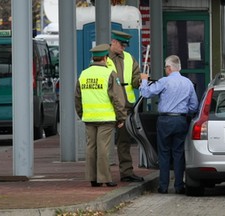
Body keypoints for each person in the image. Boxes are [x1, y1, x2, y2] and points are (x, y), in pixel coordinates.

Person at [139, 55, 199, 194]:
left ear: (169, 68)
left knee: (164, 153)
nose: (165, 70)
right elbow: (194, 106)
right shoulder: (188, 83)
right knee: (178, 153)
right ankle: (179, 186)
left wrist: (144, 79)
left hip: (165, 120)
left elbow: (146, 93)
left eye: (166, 67)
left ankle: (163, 186)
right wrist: (183, 112)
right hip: (181, 120)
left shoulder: (164, 81)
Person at [75, 43, 127, 187]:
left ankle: (92, 178)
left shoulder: (83, 74)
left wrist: (82, 114)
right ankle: (104, 178)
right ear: (105, 57)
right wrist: (121, 117)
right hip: (106, 118)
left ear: (93, 58)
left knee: (91, 147)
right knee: (103, 148)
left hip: (89, 117)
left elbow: (77, 98)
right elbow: (116, 98)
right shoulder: (109, 74)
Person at [107, 30, 144, 182]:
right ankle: (101, 175)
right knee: (103, 143)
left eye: (125, 45)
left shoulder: (129, 58)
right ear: (113, 42)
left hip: (126, 106)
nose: (124, 48)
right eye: (121, 45)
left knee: (124, 142)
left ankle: (126, 173)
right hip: (108, 106)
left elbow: (135, 78)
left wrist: (140, 80)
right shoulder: (104, 58)